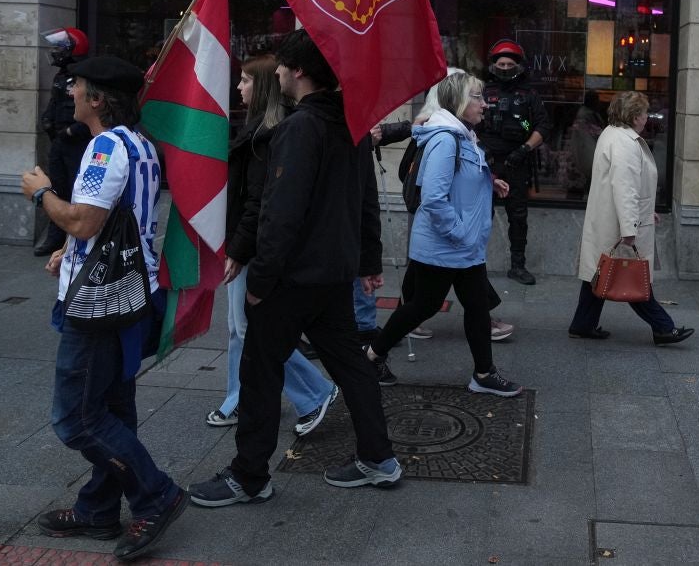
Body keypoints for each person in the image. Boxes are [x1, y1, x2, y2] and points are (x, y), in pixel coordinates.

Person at [190, 29, 400, 506]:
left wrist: (260, 280)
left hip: (292, 277)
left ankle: (248, 476)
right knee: (351, 364)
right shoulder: (351, 122)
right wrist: (367, 260)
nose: (278, 72)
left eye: (282, 66)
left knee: (260, 371)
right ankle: (378, 458)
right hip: (333, 273)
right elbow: (365, 198)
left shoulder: (298, 128)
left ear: (300, 71)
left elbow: (280, 212)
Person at [21, 55, 187, 560]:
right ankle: (96, 507)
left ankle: (155, 495)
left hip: (99, 304)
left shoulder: (104, 147)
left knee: (77, 418)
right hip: (129, 291)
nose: (69, 92)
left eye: (78, 87)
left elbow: (84, 221)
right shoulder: (139, 145)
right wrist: (66, 250)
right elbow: (118, 221)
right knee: (114, 407)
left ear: (97, 100)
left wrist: (41, 192)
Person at [364, 71, 522, 396]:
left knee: (474, 306)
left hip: (461, 247)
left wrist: (488, 181)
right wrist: (459, 231)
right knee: (422, 306)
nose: (484, 104)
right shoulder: (446, 139)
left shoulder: (462, 135)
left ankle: (483, 373)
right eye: (477, 97)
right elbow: (434, 197)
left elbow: (458, 178)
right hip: (446, 245)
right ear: (459, 102)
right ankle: (372, 356)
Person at [206, 54, 339, 437]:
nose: (238, 88)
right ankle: (239, 396)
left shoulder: (269, 137)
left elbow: (258, 203)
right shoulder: (256, 132)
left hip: (256, 248)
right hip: (246, 244)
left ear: (262, 86)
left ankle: (314, 391)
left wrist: (239, 248)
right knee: (238, 328)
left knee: (250, 329)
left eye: (246, 80)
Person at [568, 91, 693, 346]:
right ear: (635, 116)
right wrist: (630, 227)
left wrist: (646, 211)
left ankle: (582, 324)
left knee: (600, 271)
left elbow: (628, 188)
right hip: (618, 223)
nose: (647, 117)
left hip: (610, 218)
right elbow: (625, 188)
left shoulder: (612, 134)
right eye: (645, 112)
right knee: (633, 276)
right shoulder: (625, 143)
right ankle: (663, 328)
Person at [480, 38, 550, 285]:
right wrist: (480, 151)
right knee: (479, 215)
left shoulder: (529, 94)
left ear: (518, 65)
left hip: (517, 163)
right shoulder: (482, 92)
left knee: (518, 217)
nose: (505, 67)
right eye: (501, 63)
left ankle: (517, 266)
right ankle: (473, 264)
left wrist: (524, 148)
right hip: (485, 164)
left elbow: (541, 125)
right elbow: (468, 124)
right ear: (494, 65)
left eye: (510, 63)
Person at [35, 27, 91, 257]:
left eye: (60, 47)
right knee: (57, 189)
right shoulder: (61, 78)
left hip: (77, 144)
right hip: (59, 142)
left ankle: (74, 237)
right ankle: (55, 237)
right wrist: (47, 122)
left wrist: (71, 131)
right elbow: (53, 105)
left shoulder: (84, 77)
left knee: (77, 191)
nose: (56, 52)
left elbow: (89, 112)